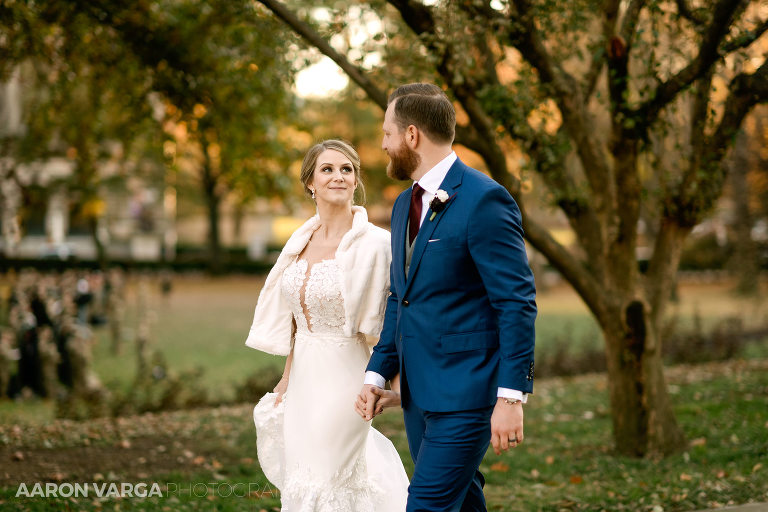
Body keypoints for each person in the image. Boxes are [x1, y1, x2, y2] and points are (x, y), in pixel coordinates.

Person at [357, 83, 537, 511]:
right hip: (419, 398)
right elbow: (402, 299)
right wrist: (377, 375)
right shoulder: (404, 205)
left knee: (426, 507)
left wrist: (510, 398)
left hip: (469, 395)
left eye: (387, 133)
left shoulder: (484, 199)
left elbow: (516, 302)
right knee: (463, 503)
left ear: (412, 135)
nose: (383, 145)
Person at [246, 139, 409, 511]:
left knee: (330, 477)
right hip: (303, 382)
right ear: (310, 183)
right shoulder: (299, 241)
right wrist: (287, 379)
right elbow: (296, 321)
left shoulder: (378, 244)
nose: (338, 176)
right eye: (327, 169)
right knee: (304, 477)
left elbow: (396, 321)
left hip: (349, 376)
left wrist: (392, 383)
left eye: (346, 169)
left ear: (355, 181)